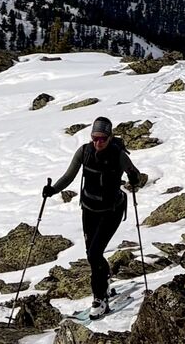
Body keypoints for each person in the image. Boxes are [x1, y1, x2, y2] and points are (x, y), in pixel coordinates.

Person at [44, 114, 145, 318]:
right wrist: (52, 190)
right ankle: (104, 280)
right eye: (95, 138)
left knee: (94, 253)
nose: (98, 142)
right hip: (89, 210)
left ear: (109, 137)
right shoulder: (84, 152)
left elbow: (135, 173)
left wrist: (134, 177)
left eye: (102, 139)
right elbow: (69, 176)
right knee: (92, 254)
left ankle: (100, 299)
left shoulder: (118, 155)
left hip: (111, 211)